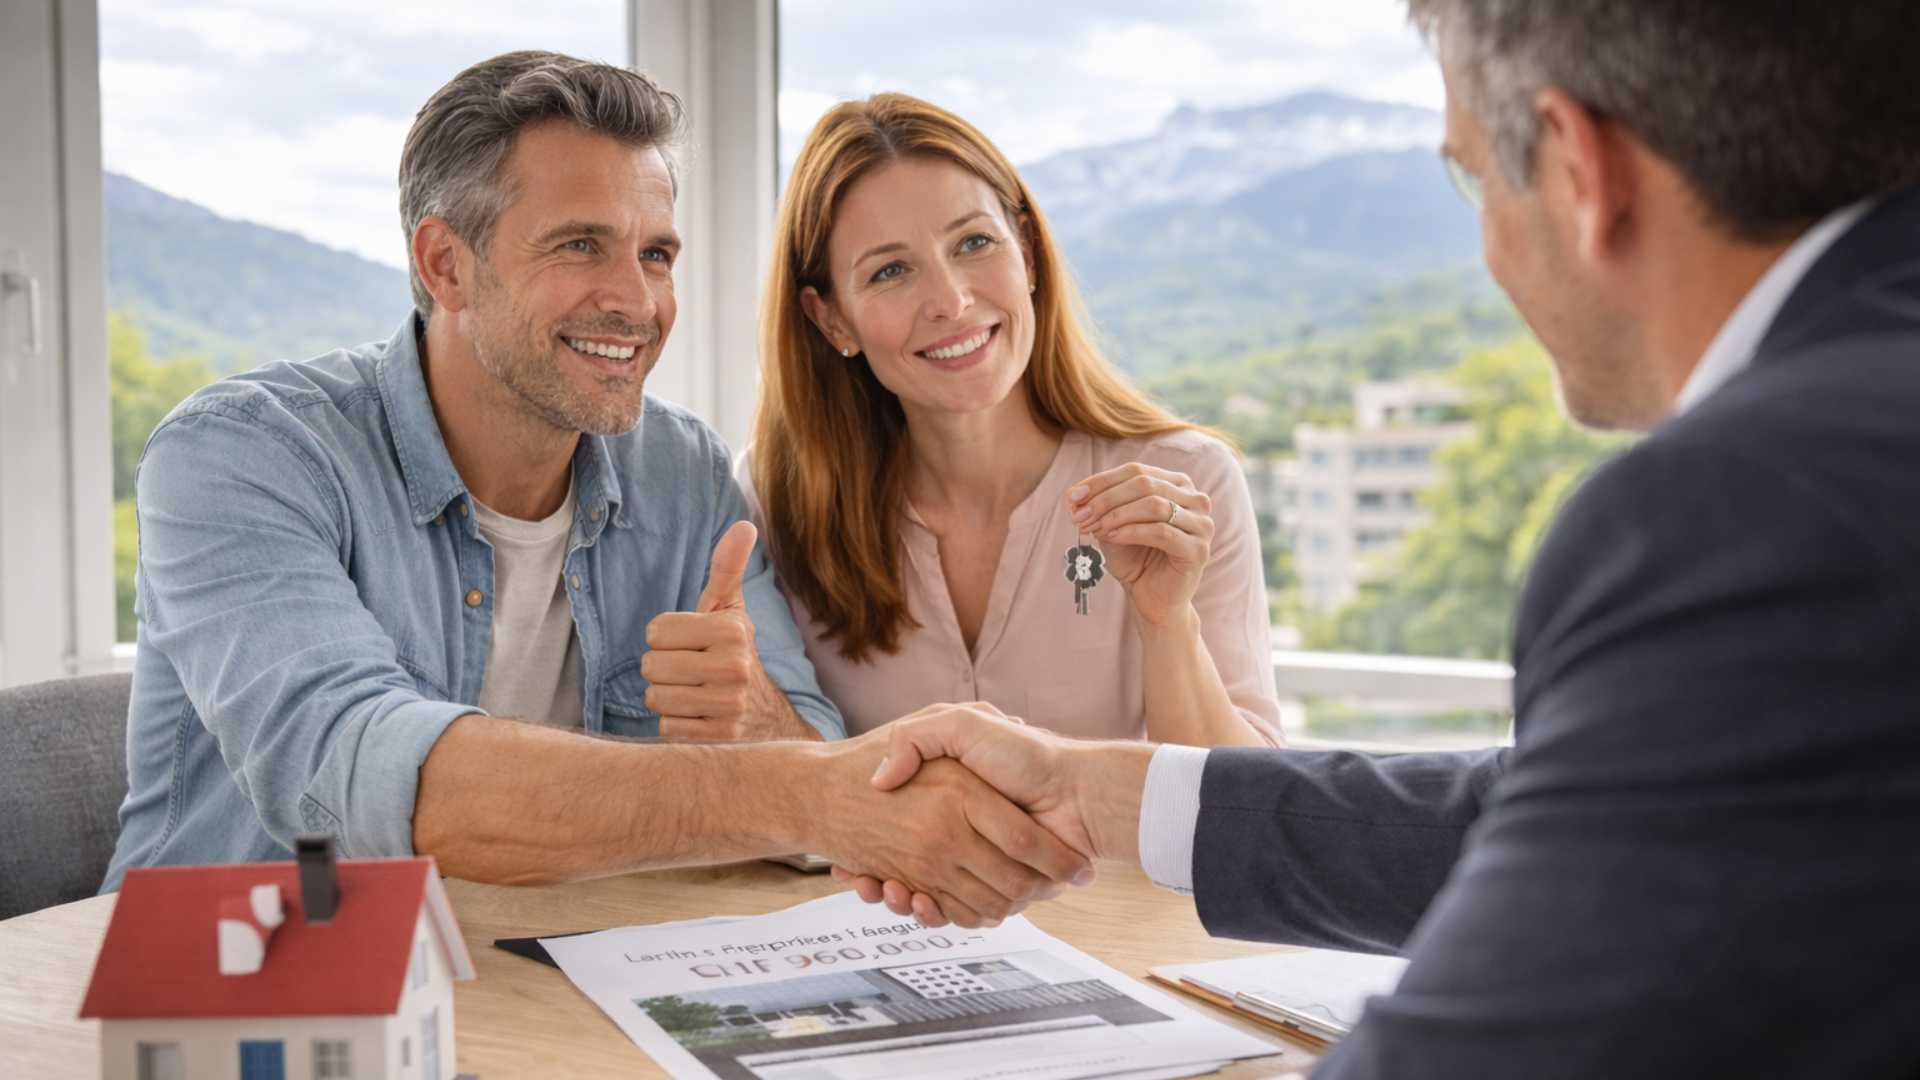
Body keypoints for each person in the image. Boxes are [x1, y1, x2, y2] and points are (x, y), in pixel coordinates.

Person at [835, 0, 1920, 1074]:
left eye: (1473, 176)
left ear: (1583, 172)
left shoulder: (1741, 505)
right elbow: (1538, 809)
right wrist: (1082, 788)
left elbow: (1506, 1027)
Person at [102, 50, 1089, 926]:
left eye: (655, 253)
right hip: (239, 997)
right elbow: (371, 775)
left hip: (539, 993)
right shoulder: (242, 457)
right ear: (446, 263)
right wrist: (811, 792)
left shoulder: (684, 474)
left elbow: (809, 761)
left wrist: (758, 724)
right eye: (581, 245)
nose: (637, 300)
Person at [743, 94, 1282, 747]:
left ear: (1025, 251)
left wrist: (1168, 625)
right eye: (890, 271)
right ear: (831, 319)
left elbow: (1247, 810)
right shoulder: (776, 505)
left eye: (973, 242)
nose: (951, 300)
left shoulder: (1186, 480)